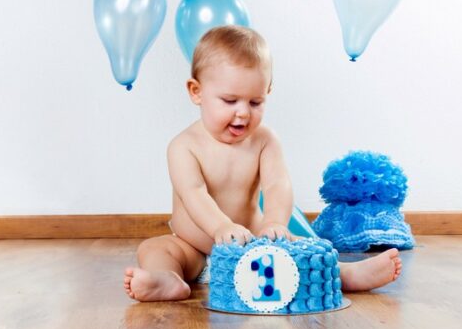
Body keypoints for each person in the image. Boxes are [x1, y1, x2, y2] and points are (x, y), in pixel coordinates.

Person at [124, 26, 402, 301]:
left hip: (255, 245)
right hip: (194, 251)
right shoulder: (183, 146)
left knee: (306, 249)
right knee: (155, 248)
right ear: (196, 91)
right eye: (230, 100)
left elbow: (277, 184)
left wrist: (275, 223)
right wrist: (221, 227)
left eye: (255, 102)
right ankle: (167, 279)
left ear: (267, 92)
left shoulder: (264, 141)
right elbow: (193, 193)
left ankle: (344, 274)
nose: (243, 112)